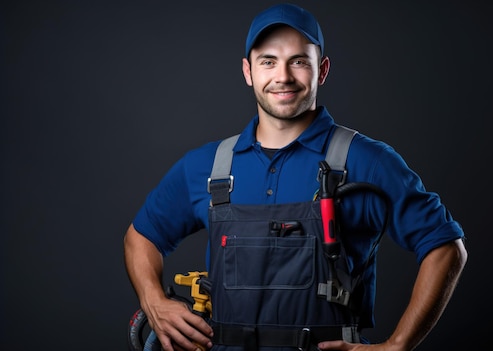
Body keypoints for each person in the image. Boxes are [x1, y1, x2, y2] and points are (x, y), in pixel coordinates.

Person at [124, 3, 468, 351]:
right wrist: (154, 301)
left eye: (299, 61)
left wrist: (398, 346)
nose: (283, 76)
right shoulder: (209, 167)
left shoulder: (368, 162)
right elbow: (140, 238)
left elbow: (445, 249)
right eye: (268, 61)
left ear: (322, 70)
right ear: (248, 71)